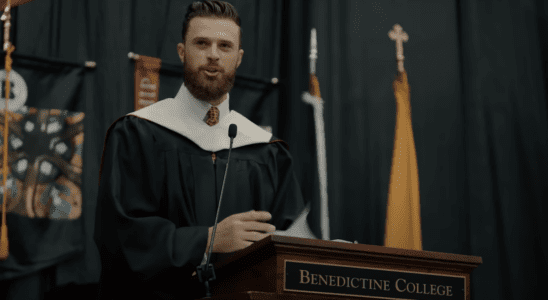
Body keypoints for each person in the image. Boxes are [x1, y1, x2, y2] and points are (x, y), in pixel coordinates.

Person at [93, 1, 304, 299]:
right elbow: (119, 237)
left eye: (225, 46)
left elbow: (290, 246)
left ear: (239, 57)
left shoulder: (266, 152)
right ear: (182, 51)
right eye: (202, 43)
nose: (213, 55)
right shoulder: (138, 133)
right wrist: (206, 240)